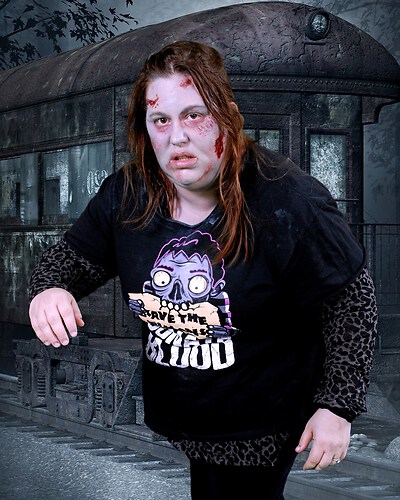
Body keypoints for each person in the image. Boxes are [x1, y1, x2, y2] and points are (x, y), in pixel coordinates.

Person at [28, 41, 378, 499]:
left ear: (227, 116)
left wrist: (337, 406)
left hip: (262, 419)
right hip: (185, 412)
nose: (177, 137)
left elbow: (352, 302)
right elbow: (67, 262)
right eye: (160, 120)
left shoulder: (290, 200)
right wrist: (49, 288)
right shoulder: (128, 194)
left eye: (194, 115)